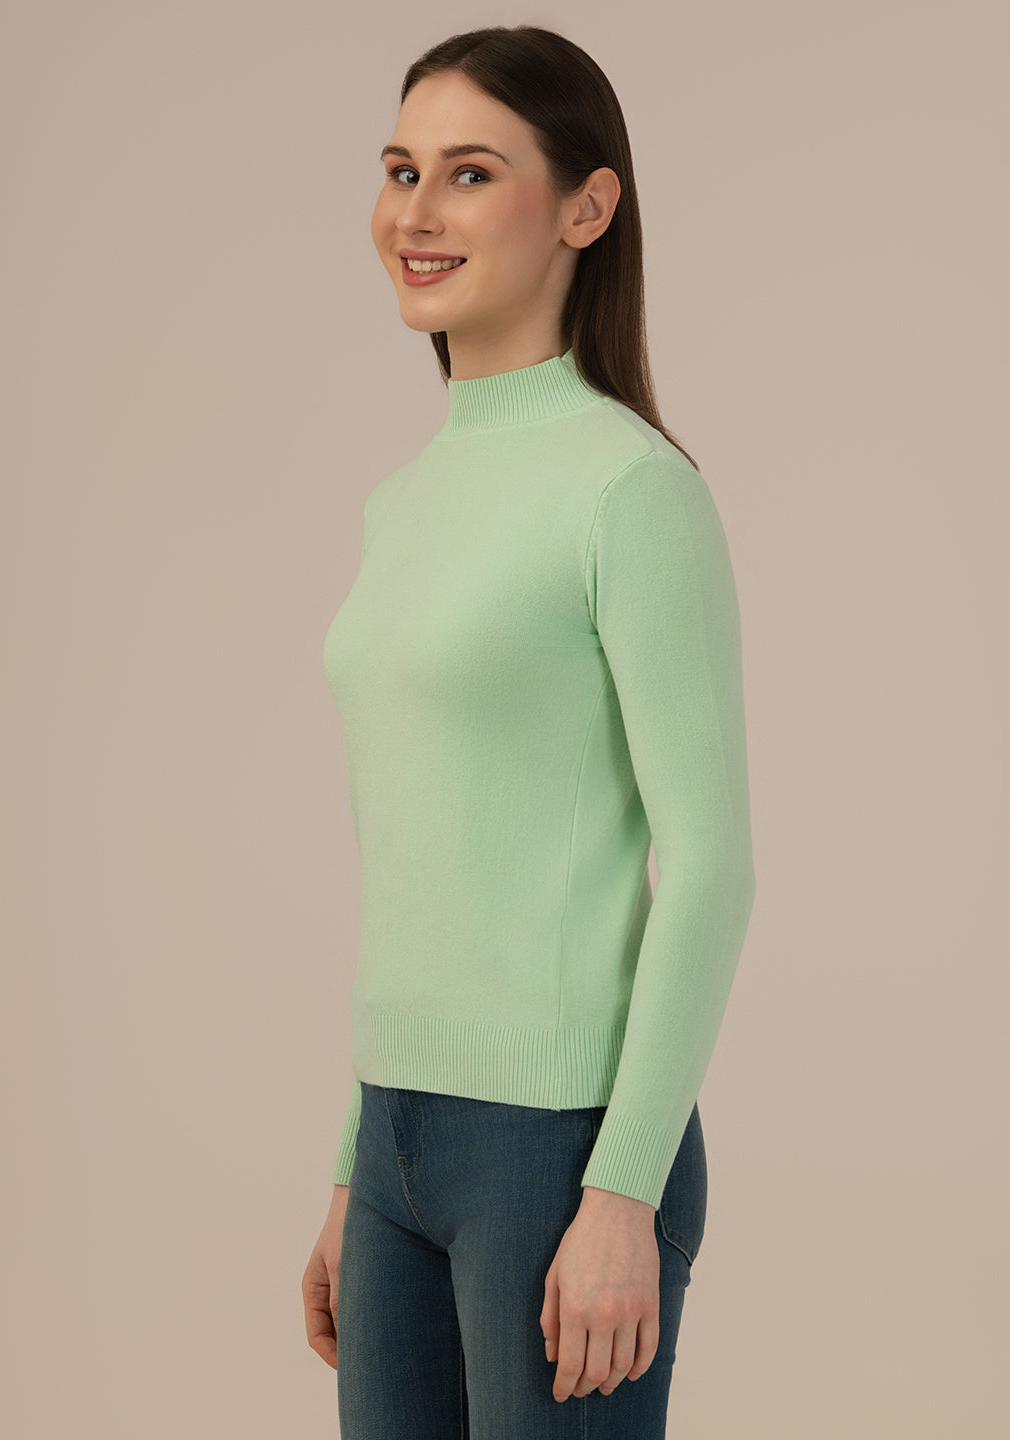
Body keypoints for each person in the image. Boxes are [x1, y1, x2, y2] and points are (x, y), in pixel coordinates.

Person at [301, 24, 756, 1440]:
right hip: (399, 1142)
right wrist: (355, 1164)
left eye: (470, 172)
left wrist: (623, 1189)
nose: (415, 213)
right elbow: (416, 861)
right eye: (401, 171)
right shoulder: (401, 503)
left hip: (557, 1152)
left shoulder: (630, 488)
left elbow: (712, 862)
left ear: (586, 207)